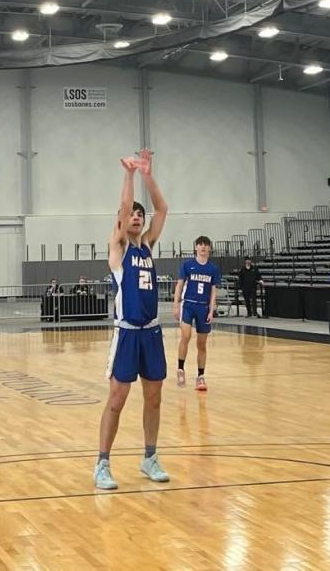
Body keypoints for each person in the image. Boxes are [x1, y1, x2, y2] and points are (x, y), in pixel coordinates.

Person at [95, 148, 169, 491]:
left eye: (141, 215)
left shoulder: (149, 246)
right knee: (116, 399)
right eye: (132, 215)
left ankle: (150, 457)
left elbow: (163, 208)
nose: (137, 217)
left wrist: (147, 174)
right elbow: (124, 211)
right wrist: (128, 174)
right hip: (126, 334)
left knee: (153, 397)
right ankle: (102, 463)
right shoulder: (119, 249)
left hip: (151, 333)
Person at [173, 235, 221, 391]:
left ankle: (200, 377)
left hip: (203, 308)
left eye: (206, 245)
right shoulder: (187, 265)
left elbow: (213, 291)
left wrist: (211, 309)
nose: (203, 247)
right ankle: (180, 369)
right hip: (188, 305)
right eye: (200, 244)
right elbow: (179, 286)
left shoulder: (213, 269)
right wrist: (176, 305)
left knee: (202, 344)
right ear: (195, 247)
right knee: (185, 336)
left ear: (209, 249)